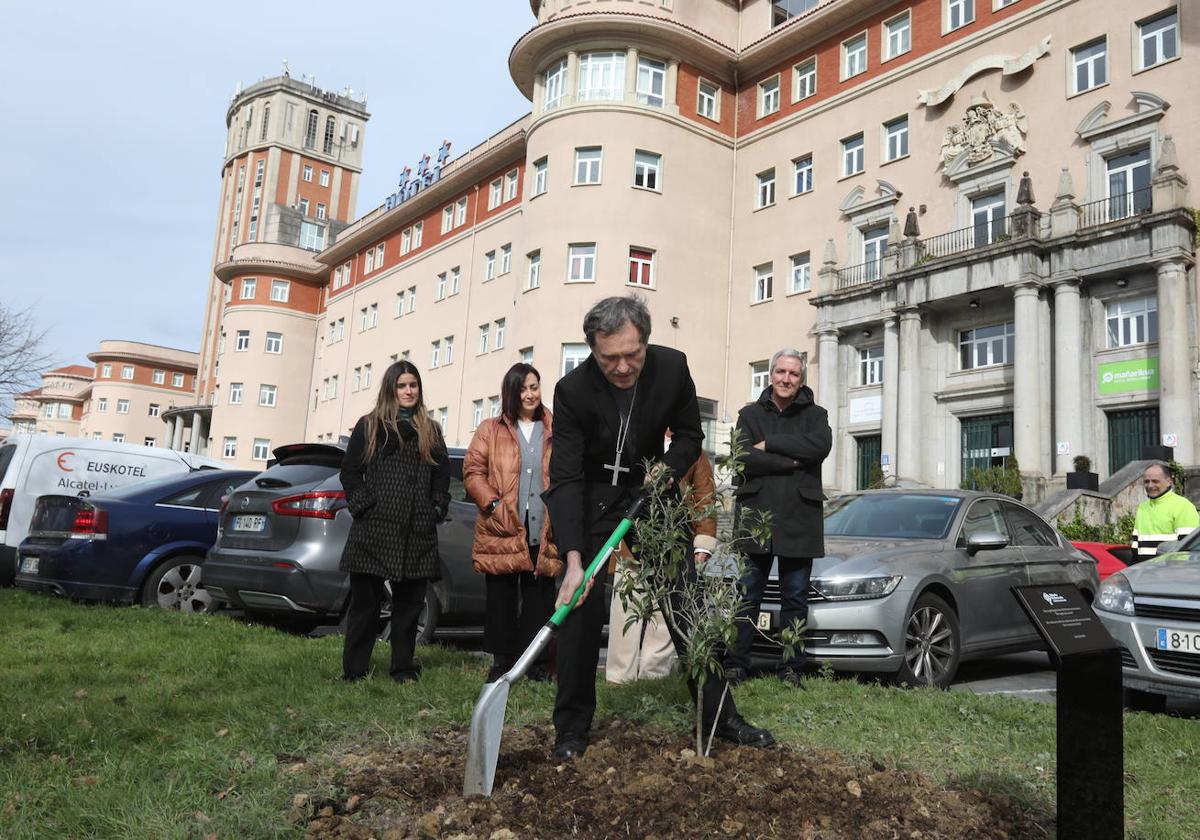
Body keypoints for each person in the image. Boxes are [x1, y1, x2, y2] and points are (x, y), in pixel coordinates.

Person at [543, 294, 774, 759]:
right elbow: (565, 477)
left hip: (651, 492)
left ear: (646, 341)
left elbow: (691, 437)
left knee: (685, 603)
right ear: (593, 349)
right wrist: (573, 561)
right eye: (611, 359)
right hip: (593, 498)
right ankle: (571, 727)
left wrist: (666, 469)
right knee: (579, 612)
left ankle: (720, 715)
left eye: (633, 354)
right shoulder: (572, 392)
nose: (624, 367)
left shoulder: (671, 368)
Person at [724, 348, 832, 688]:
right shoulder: (749, 414)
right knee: (747, 596)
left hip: (800, 520)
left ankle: (790, 668)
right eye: (781, 372)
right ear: (771, 375)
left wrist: (769, 444)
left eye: (794, 374)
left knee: (795, 600)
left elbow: (819, 447)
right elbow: (742, 457)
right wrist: (792, 460)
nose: (786, 379)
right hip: (756, 515)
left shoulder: (817, 415)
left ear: (801, 379)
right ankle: (736, 665)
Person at [338, 360, 450, 683]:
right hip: (373, 529)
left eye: (413, 385)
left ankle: (402, 668)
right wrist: (364, 506)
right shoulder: (370, 425)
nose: (408, 391)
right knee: (365, 606)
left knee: (409, 606)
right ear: (391, 389)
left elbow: (442, 476)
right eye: (402, 386)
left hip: (417, 531)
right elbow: (349, 471)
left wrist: (436, 509)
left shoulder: (430, 430)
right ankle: (354, 671)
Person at [464, 363, 562, 683]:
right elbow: (473, 471)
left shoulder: (555, 428)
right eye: (523, 388)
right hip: (502, 528)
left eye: (534, 386)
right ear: (512, 392)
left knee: (539, 602)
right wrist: (492, 504)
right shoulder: (491, 429)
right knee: (501, 601)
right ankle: (501, 663)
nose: (530, 394)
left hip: (542, 529)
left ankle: (534, 664)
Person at [606, 437, 717, 685]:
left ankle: (654, 675)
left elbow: (704, 495)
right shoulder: (633, 441)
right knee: (625, 608)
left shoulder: (692, 451)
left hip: (674, 545)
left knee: (666, 612)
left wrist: (704, 539)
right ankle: (618, 677)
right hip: (631, 544)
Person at [1132, 462, 1199, 561]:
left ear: (1169, 481)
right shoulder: (1142, 508)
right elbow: (1135, 546)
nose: (1150, 485)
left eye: (1155, 481)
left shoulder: (1182, 506)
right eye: (1146, 481)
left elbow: (1188, 550)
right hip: (1145, 571)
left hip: (1170, 572)